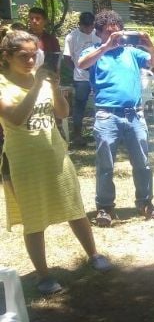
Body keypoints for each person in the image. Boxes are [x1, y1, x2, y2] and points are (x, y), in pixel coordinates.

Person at [0, 30, 112, 295]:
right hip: (24, 160)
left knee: (74, 208)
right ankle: (44, 275)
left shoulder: (41, 79)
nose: (30, 61)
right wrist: (37, 85)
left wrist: (54, 89)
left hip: (55, 155)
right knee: (34, 218)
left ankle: (94, 254)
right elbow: (14, 118)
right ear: (6, 57)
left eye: (34, 55)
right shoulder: (3, 84)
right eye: (23, 56)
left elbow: (62, 113)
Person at [76, 10, 154, 227]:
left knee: (142, 162)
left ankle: (145, 202)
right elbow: (81, 64)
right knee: (105, 164)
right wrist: (106, 47)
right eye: (109, 32)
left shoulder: (132, 52)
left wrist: (149, 44)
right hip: (107, 115)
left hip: (134, 114)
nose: (115, 36)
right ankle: (105, 207)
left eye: (118, 32)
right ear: (99, 33)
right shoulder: (94, 50)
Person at [62, 12, 100, 147]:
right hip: (81, 79)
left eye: (91, 27)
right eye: (86, 27)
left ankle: (101, 133)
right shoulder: (72, 37)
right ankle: (77, 135)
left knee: (101, 105)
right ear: (80, 25)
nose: (89, 30)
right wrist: (76, 70)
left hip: (99, 76)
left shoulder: (98, 34)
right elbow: (66, 58)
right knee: (79, 106)